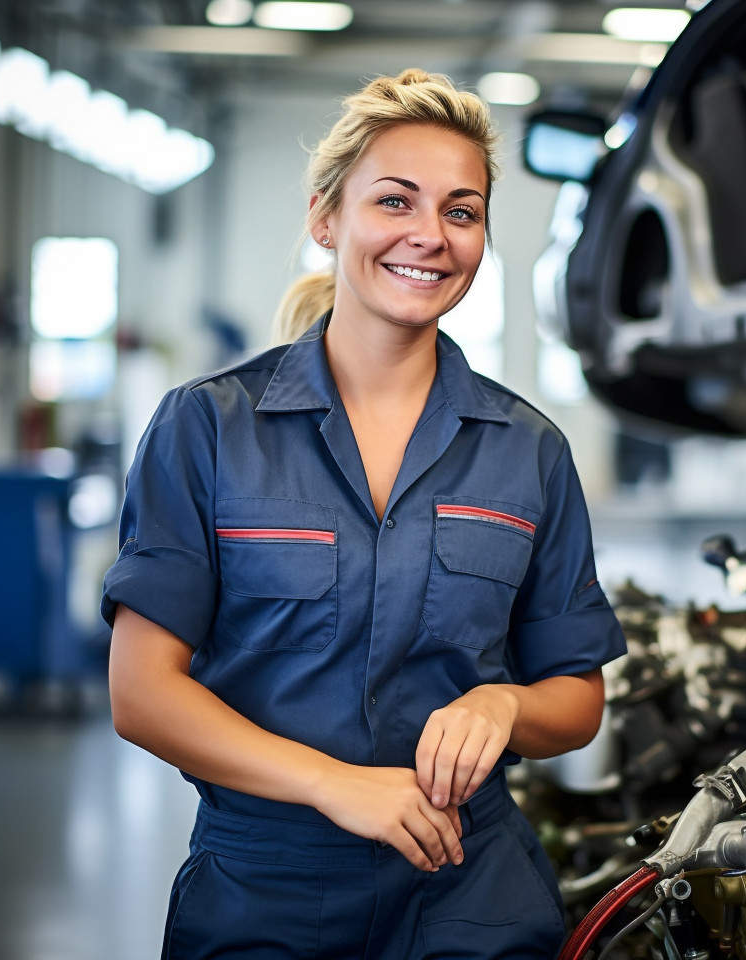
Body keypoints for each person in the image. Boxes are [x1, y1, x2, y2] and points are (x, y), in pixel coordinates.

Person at [102, 68, 627, 960]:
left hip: (470, 883)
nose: (430, 235)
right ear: (325, 219)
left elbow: (577, 697)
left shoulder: (528, 450)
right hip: (264, 889)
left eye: (462, 212)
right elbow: (142, 692)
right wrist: (332, 784)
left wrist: (504, 706)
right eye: (395, 201)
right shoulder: (209, 425)